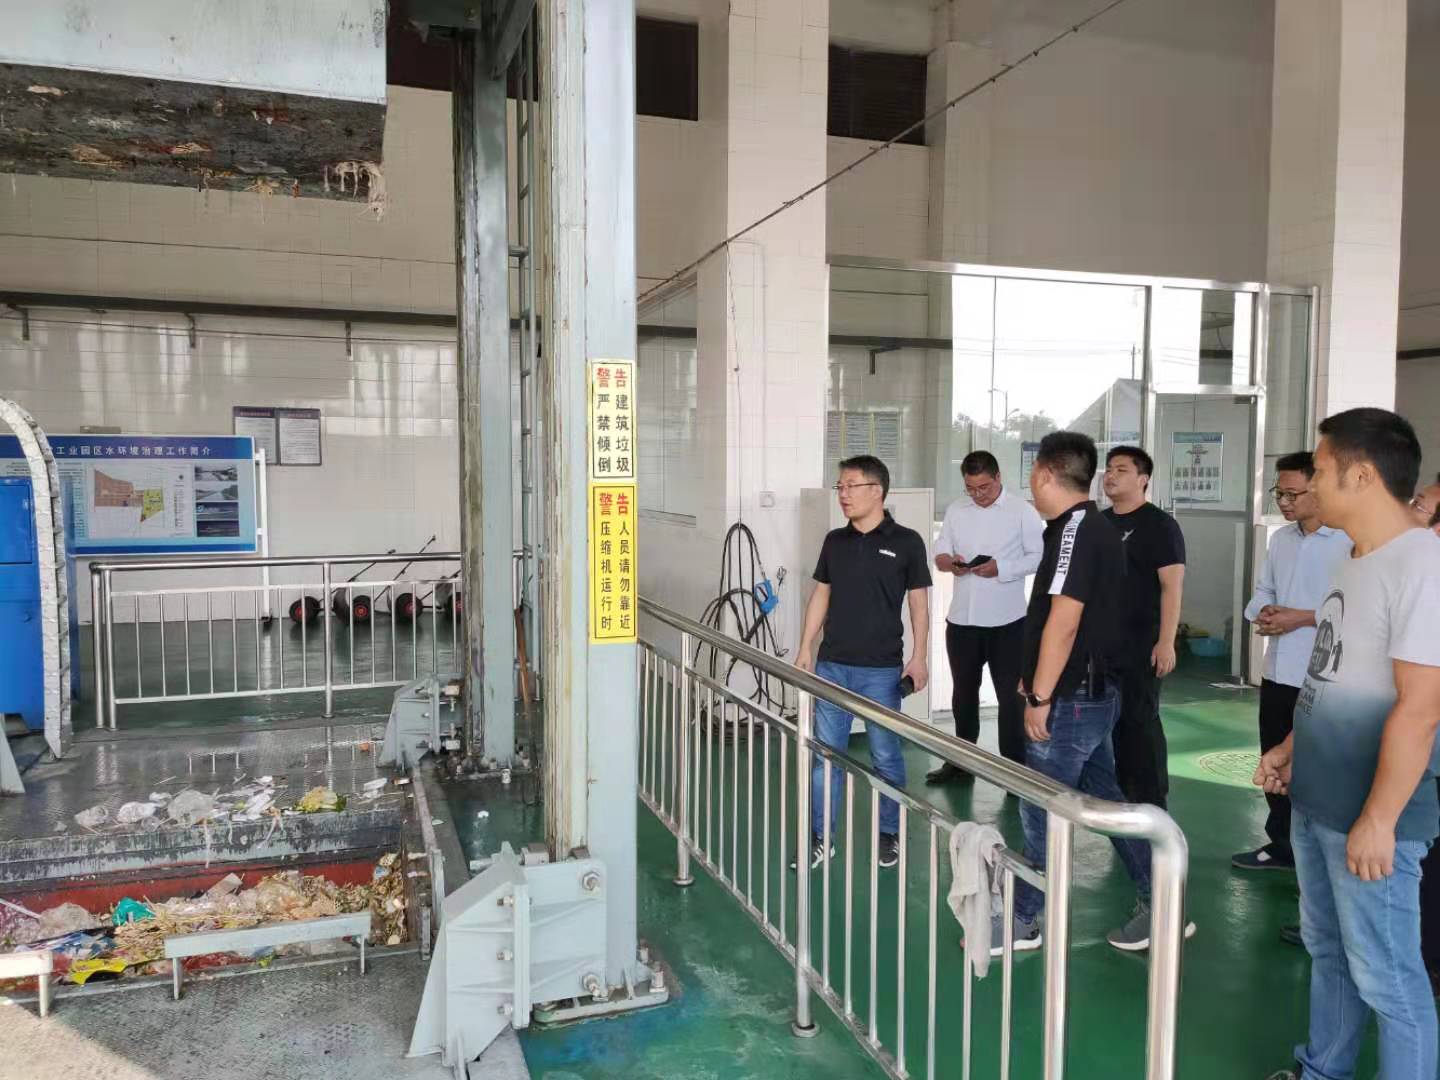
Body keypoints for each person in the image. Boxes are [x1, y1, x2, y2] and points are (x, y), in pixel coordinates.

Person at [1257, 409, 1440, 1080]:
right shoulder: (1352, 557)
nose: (1310, 484)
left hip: (1372, 814)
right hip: (1318, 798)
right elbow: (1329, 671)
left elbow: (1421, 708)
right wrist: (1291, 746)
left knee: (1389, 978)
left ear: (1361, 476)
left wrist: (1381, 819)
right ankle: (1322, 1068)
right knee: (1328, 949)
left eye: (1321, 470)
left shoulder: (1422, 565)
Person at [997, 431, 1192, 953]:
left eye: (1032, 475)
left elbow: (1065, 620)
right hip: (1090, 692)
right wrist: (1032, 676)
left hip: (1073, 699)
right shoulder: (1085, 527)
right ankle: (1163, 903)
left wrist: (1040, 697)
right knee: (1108, 802)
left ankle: (1024, 919)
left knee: (1041, 805)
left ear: (1044, 474)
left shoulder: (1077, 531)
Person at [795, 455, 932, 871]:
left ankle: (889, 832)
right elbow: (821, 594)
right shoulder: (834, 541)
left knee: (886, 756)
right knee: (825, 757)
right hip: (832, 666)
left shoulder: (907, 542)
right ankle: (821, 837)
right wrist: (806, 647)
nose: (843, 494)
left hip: (881, 671)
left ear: (877, 491)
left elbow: (919, 604)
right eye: (840, 487)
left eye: (850, 486)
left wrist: (919, 657)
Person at [1231, 452, 1351, 874]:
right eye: (1278, 493)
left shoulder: (1348, 542)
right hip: (1278, 671)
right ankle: (1283, 845)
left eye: (1292, 494)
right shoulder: (1281, 539)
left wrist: (1299, 617)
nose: (1283, 501)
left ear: (1318, 489)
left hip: (1322, 677)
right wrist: (1263, 611)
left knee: (1315, 768)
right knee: (1273, 759)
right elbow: (1265, 588)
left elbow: (1354, 608)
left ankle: (1318, 857)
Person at [928, 451, 1044, 780]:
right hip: (962, 621)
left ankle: (1014, 770)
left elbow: (1038, 557)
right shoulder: (956, 509)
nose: (977, 494)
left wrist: (1001, 568)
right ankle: (962, 763)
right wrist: (948, 562)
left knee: (1011, 698)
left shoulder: (1022, 511)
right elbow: (941, 548)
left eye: (984, 487)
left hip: (1008, 623)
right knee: (963, 694)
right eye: (970, 488)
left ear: (998, 478)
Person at [1100, 446, 1186, 809]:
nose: (1110, 475)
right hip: (1103, 645)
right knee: (1110, 724)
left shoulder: (1160, 526)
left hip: (1142, 645)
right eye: (1108, 469)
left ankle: (1152, 801)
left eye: (1121, 470)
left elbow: (1172, 587)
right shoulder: (1100, 523)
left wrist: (1166, 642)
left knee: (1140, 722)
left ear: (1143, 479)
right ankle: (1122, 794)